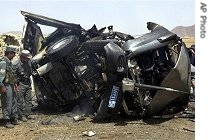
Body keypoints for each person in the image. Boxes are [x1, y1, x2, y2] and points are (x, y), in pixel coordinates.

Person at [15, 50, 36, 122]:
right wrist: (16, 85)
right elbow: (13, 76)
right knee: (20, 100)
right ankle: (21, 116)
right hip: (20, 83)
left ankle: (28, 113)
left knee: (28, 99)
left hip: (28, 82)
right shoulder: (16, 64)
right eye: (27, 58)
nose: (28, 59)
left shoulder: (29, 61)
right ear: (22, 57)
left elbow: (34, 63)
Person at [0, 45, 18, 128]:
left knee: (13, 102)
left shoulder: (9, 62)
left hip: (11, 84)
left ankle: (12, 119)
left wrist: (14, 84)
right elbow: (1, 76)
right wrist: (2, 86)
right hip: (6, 86)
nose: (14, 55)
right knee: (7, 103)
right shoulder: (3, 62)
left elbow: (11, 74)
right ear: (9, 53)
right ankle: (6, 121)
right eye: (13, 53)